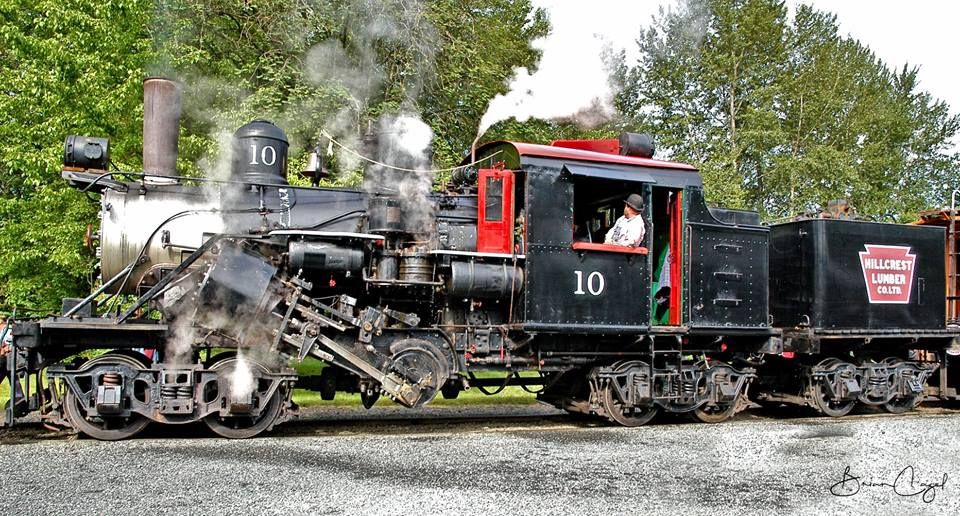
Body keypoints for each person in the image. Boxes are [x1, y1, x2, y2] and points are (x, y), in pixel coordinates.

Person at [0, 316, 27, 418]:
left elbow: (14, 345)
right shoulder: (5, 330)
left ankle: (19, 398)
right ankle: (19, 398)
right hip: (7, 358)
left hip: (8, 357)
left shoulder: (7, 330)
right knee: (12, 376)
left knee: (11, 373)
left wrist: (6, 349)